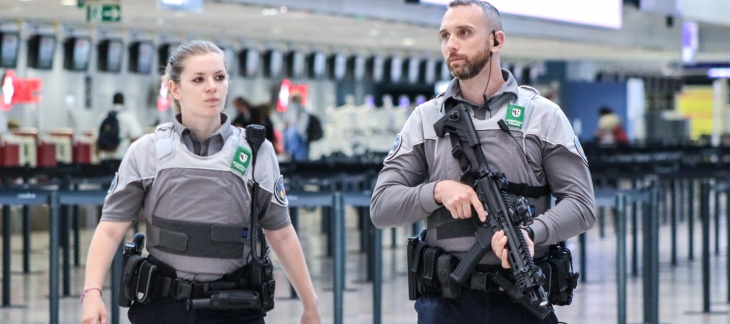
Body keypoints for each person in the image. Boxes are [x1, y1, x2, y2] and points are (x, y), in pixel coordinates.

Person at [370, 1, 595, 323]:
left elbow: (582, 205)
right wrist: (437, 191)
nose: (452, 44)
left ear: (496, 41)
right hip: (447, 301)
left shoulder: (542, 115)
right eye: (445, 35)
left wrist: (532, 234)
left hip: (523, 298)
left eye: (464, 33)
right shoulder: (425, 119)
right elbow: (382, 207)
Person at [81, 40, 320, 324]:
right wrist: (92, 293)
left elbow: (280, 232)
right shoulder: (148, 152)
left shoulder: (256, 151)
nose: (212, 87)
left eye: (219, 77)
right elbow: (110, 229)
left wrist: (310, 303)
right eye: (198, 79)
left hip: (235, 308)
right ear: (174, 88)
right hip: (163, 308)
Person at [97, 92, 144, 160]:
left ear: (113, 101)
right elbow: (135, 137)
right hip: (121, 157)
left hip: (105, 158)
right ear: (123, 102)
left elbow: (98, 136)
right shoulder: (129, 116)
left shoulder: (104, 115)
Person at [282, 93, 310, 160]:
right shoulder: (300, 109)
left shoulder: (297, 109)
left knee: (295, 152)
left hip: (296, 134)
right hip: (297, 133)